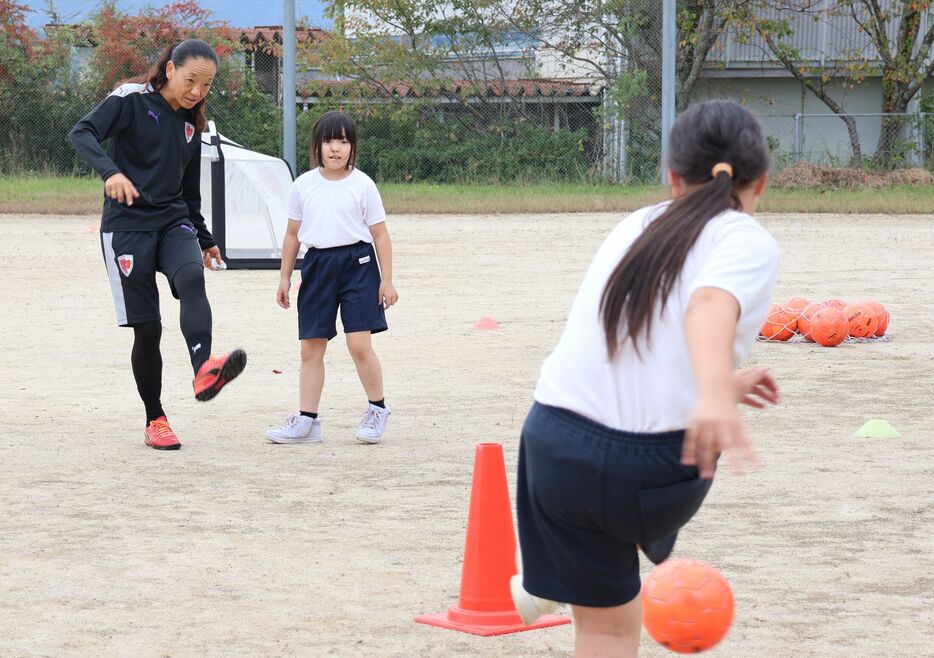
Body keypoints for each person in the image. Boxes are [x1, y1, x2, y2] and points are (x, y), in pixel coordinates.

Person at [510, 100, 782, 656]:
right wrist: (712, 394)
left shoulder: (634, 224)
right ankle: (558, 573)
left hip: (551, 445)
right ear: (762, 184)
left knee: (608, 625)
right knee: (619, 519)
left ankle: (555, 574)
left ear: (673, 177)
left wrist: (718, 387)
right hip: (643, 470)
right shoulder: (745, 238)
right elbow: (707, 306)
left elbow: (634, 352)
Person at [69, 39, 247, 451]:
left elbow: (188, 192)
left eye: (207, 85)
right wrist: (110, 173)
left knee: (191, 280)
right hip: (127, 227)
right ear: (170, 69)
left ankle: (205, 368)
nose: (198, 92)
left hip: (172, 221)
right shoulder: (130, 100)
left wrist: (204, 239)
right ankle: (155, 419)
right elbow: (82, 132)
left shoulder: (190, 125)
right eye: (191, 81)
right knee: (148, 331)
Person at [266, 111, 398, 445]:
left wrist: (387, 280)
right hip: (318, 266)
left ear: (352, 147)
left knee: (359, 344)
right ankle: (308, 421)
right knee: (310, 348)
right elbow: (293, 234)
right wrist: (284, 277)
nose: (336, 148)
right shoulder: (304, 185)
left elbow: (381, 235)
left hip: (359, 264)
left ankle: (377, 409)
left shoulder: (363, 185)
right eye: (329, 141)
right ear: (317, 146)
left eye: (343, 141)